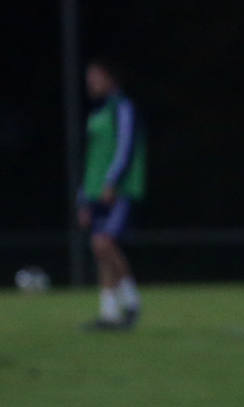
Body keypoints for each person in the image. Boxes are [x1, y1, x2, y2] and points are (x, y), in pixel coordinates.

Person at [76, 57, 146, 331]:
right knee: (101, 247)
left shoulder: (123, 108)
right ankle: (114, 310)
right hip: (95, 190)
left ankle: (126, 304)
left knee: (104, 243)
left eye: (95, 77)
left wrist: (112, 182)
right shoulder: (99, 112)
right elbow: (92, 158)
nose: (91, 83)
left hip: (117, 190)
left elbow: (125, 147)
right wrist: (83, 197)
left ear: (110, 78)